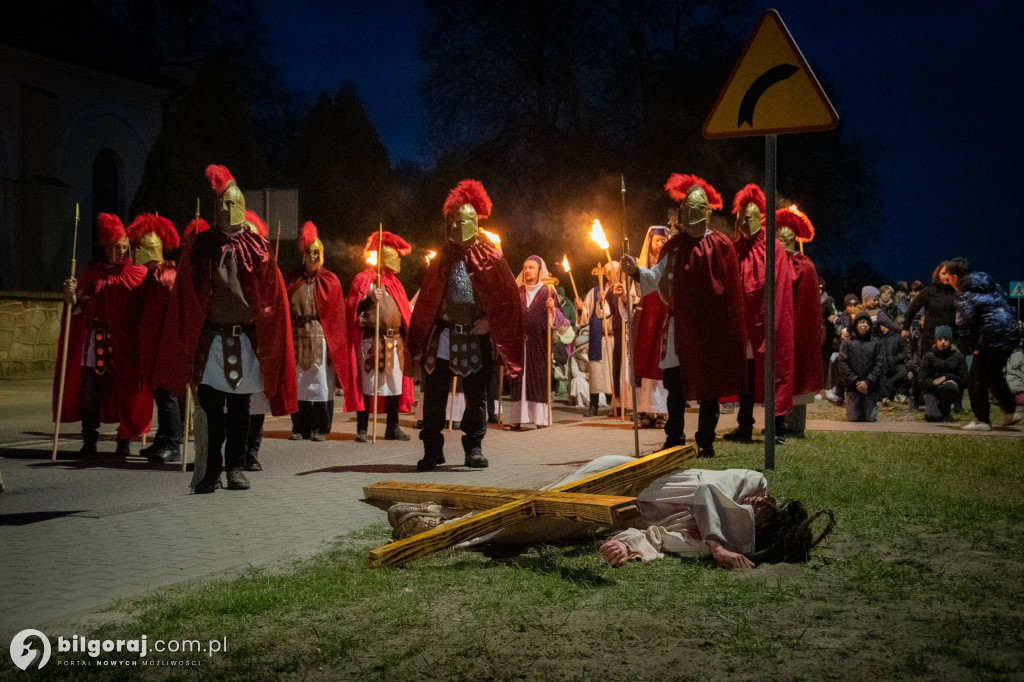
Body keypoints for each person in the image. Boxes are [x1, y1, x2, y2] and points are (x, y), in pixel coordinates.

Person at [388, 455, 834, 571]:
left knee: (530, 530)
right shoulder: (751, 483)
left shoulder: (732, 534)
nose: (759, 506)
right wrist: (718, 545)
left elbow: (664, 538)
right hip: (619, 479)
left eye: (762, 516)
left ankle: (434, 516)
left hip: (616, 514)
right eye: (763, 507)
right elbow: (707, 491)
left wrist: (626, 547)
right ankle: (431, 519)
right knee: (534, 508)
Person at [154, 165, 297, 493]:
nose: (225, 209)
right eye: (221, 204)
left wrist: (268, 330)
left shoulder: (258, 248)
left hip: (245, 342)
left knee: (240, 411)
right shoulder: (200, 246)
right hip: (211, 343)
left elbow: (272, 297)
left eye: (231, 204)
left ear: (242, 208)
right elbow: (186, 296)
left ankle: (235, 467)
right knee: (211, 411)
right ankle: (211, 470)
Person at [621, 174, 747, 458]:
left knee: (709, 387)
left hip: (711, 330)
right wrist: (634, 271)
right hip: (680, 326)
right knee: (675, 384)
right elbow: (654, 278)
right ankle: (675, 437)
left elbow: (730, 295)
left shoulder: (721, 245)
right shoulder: (675, 246)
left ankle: (706, 441)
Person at [406, 179, 523, 470]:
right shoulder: (442, 256)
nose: (456, 228)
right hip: (443, 336)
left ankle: (474, 447)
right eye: (452, 223)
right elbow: (429, 298)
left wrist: (489, 322)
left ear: (474, 222)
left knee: (476, 398)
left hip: (474, 336)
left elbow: (506, 300)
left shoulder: (491, 256)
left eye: (462, 222)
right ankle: (432, 450)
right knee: (433, 398)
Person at [54, 213, 151, 458]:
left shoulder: (138, 274)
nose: (119, 252)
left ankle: (124, 440)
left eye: (122, 247)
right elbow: (77, 308)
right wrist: (71, 296)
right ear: (105, 247)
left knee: (125, 394)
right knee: (91, 394)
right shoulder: (92, 274)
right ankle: (89, 440)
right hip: (95, 341)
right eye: (114, 247)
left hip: (125, 344)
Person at [725, 183, 795, 444]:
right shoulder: (735, 249)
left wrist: (771, 322)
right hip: (744, 325)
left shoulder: (773, 247)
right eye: (740, 219)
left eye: (748, 218)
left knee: (773, 373)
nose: (743, 224)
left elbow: (777, 286)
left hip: (766, 322)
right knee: (746, 375)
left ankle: (777, 427)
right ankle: (745, 426)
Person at [345, 231, 415, 442]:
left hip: (395, 342)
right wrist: (367, 300)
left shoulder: (395, 283)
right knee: (368, 385)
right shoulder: (364, 280)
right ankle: (362, 429)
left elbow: (403, 312)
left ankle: (392, 428)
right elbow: (351, 309)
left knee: (394, 386)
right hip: (371, 341)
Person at [285, 222, 349, 441]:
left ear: (321, 255)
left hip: (322, 337)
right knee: (300, 383)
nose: (312, 256)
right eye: (308, 252)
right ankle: (301, 427)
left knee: (322, 384)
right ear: (303, 255)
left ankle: (321, 428)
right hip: (298, 336)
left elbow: (337, 317)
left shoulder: (331, 281)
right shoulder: (293, 280)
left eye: (316, 253)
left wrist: (335, 346)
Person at [127, 213, 183, 463]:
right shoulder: (152, 276)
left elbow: (171, 317)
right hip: (155, 347)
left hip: (167, 348)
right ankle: (163, 440)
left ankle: (172, 444)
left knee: (167, 395)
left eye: (139, 246)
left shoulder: (166, 276)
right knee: (161, 395)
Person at [945, 258, 1021, 430]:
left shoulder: (964, 291)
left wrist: (970, 347)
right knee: (993, 374)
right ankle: (1010, 411)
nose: (949, 282)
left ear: (955, 277)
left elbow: (964, 322)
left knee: (976, 378)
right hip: (1010, 333)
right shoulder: (988, 282)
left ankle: (981, 420)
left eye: (949, 278)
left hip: (990, 336)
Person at [506, 256, 572, 430]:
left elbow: (560, 323)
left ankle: (540, 419)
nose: (527, 271)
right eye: (525, 267)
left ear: (539, 271)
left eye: (531, 268)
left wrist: (552, 309)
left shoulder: (547, 291)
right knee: (518, 380)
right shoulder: (517, 291)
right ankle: (516, 419)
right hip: (519, 346)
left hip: (539, 345)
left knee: (538, 379)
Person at [776, 207, 822, 438]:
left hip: (798, 332)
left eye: (787, 239)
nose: (783, 243)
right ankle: (777, 422)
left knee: (799, 375)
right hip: (778, 330)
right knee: (778, 376)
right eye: (779, 238)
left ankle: (796, 426)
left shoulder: (806, 266)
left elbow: (809, 307)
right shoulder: (771, 264)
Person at [625, 226, 671, 428]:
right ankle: (645, 410)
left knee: (659, 361)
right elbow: (634, 295)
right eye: (657, 240)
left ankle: (661, 411)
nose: (660, 244)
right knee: (643, 361)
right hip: (645, 318)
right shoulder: (642, 265)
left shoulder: (669, 263)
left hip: (663, 314)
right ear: (650, 243)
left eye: (663, 240)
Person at [575, 265, 618, 416]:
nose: (611, 274)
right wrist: (581, 308)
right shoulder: (595, 291)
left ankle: (617, 405)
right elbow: (586, 313)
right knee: (596, 373)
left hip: (614, 337)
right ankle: (593, 406)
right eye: (610, 272)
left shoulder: (620, 290)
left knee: (614, 372)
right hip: (598, 338)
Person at [837, 312, 884, 422]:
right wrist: (856, 381)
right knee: (853, 419)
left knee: (870, 419)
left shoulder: (876, 344)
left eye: (868, 323)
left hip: (870, 388)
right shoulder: (846, 344)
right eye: (862, 322)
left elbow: (879, 365)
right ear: (855, 325)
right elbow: (843, 365)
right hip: (853, 388)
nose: (865, 325)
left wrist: (867, 382)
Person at [918, 325, 967, 422]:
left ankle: (946, 411)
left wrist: (948, 378)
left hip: (950, 389)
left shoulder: (958, 357)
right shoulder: (928, 357)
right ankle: (938, 410)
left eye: (946, 339)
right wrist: (933, 382)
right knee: (932, 417)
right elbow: (921, 380)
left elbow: (965, 380)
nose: (943, 342)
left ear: (950, 341)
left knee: (948, 387)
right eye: (940, 339)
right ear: (936, 340)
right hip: (932, 390)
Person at [875, 310, 910, 403]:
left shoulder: (898, 336)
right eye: (881, 325)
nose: (884, 327)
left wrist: (894, 358)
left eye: (886, 325)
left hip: (895, 365)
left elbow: (904, 352)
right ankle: (885, 396)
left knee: (904, 372)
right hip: (882, 367)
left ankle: (899, 392)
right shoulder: (877, 337)